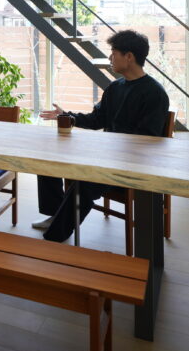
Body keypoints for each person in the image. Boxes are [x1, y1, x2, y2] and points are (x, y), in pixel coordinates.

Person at [34, 29, 169, 243]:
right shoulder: (115, 88)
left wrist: (106, 150)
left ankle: (54, 238)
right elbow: (97, 120)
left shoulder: (154, 93)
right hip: (106, 156)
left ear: (129, 56)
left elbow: (148, 140)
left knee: (84, 181)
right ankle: (57, 215)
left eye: (113, 53)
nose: (110, 58)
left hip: (132, 165)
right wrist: (66, 116)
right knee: (47, 161)